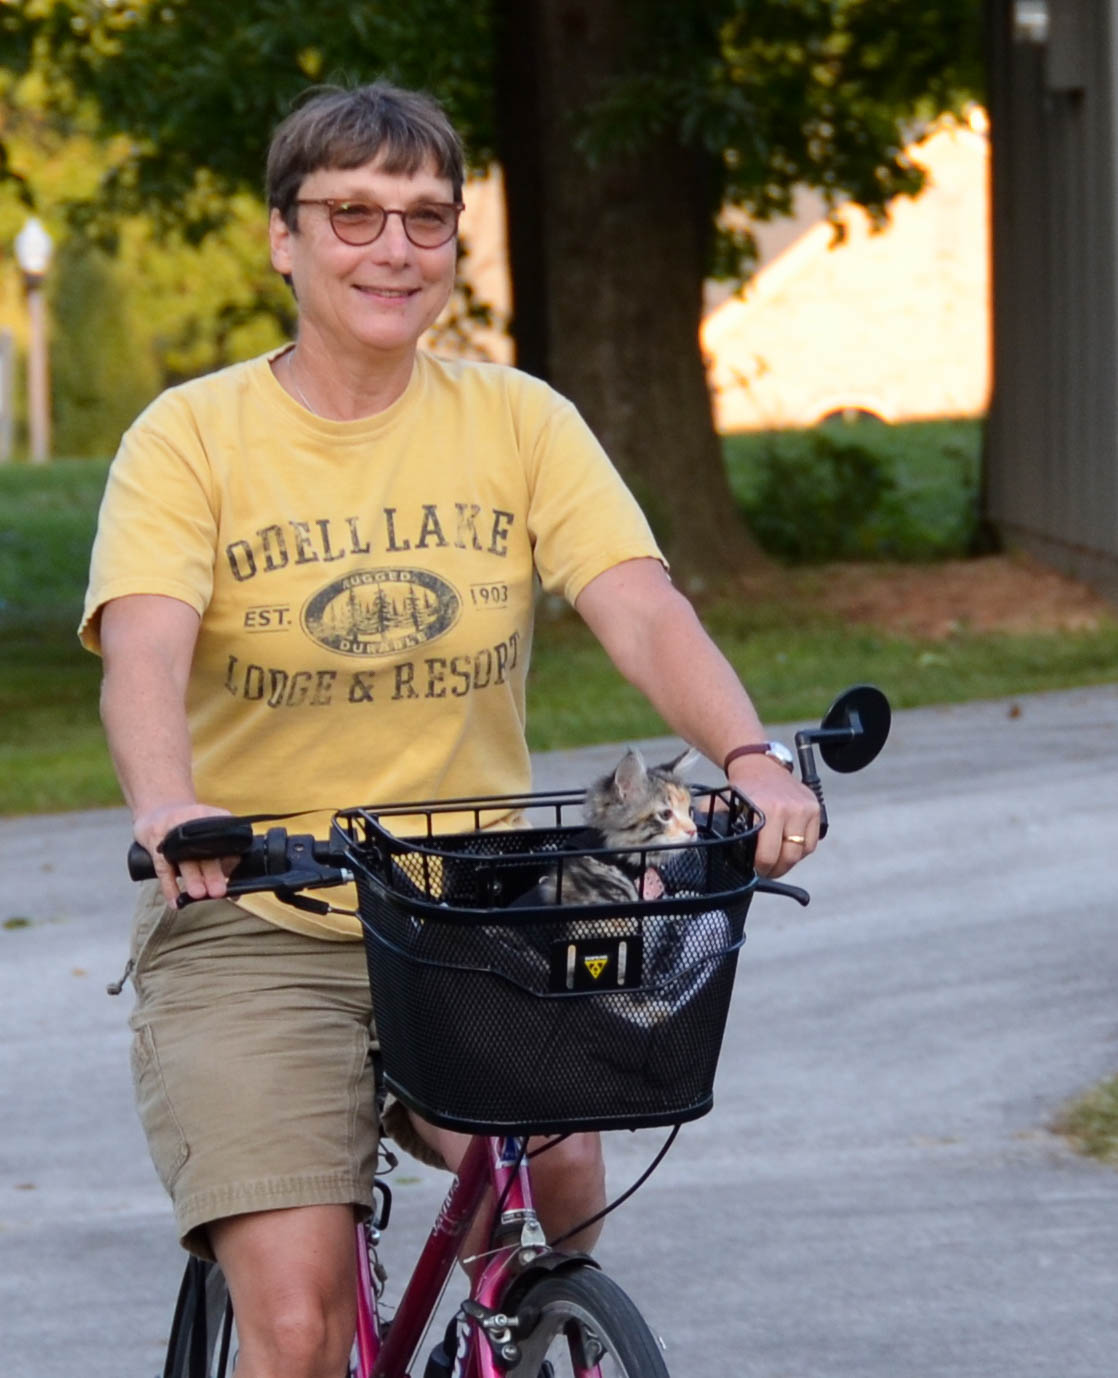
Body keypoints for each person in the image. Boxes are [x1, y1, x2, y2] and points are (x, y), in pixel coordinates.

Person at [81, 81, 820, 1378]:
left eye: (426, 218)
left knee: (563, 1165)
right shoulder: (189, 437)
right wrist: (165, 805)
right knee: (299, 1317)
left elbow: (640, 609)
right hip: (256, 913)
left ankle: (518, 1337)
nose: (394, 247)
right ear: (283, 236)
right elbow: (144, 648)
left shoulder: (518, 420)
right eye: (353, 213)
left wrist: (749, 757)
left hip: (464, 914)